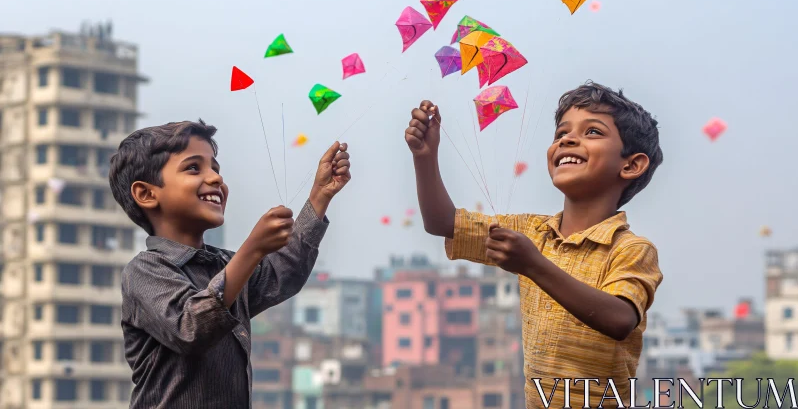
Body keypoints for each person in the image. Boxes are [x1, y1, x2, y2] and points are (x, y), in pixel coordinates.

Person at [405, 82, 664, 408]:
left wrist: (533, 264)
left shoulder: (631, 249)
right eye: (560, 134)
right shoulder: (531, 231)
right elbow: (442, 222)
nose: (567, 140)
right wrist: (425, 158)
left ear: (631, 165)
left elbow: (619, 320)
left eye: (593, 132)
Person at [109, 119, 351, 408]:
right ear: (147, 194)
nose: (215, 178)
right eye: (193, 168)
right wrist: (252, 250)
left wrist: (319, 196)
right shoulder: (145, 271)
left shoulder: (224, 263)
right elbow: (191, 327)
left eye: (215, 168)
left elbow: (284, 274)